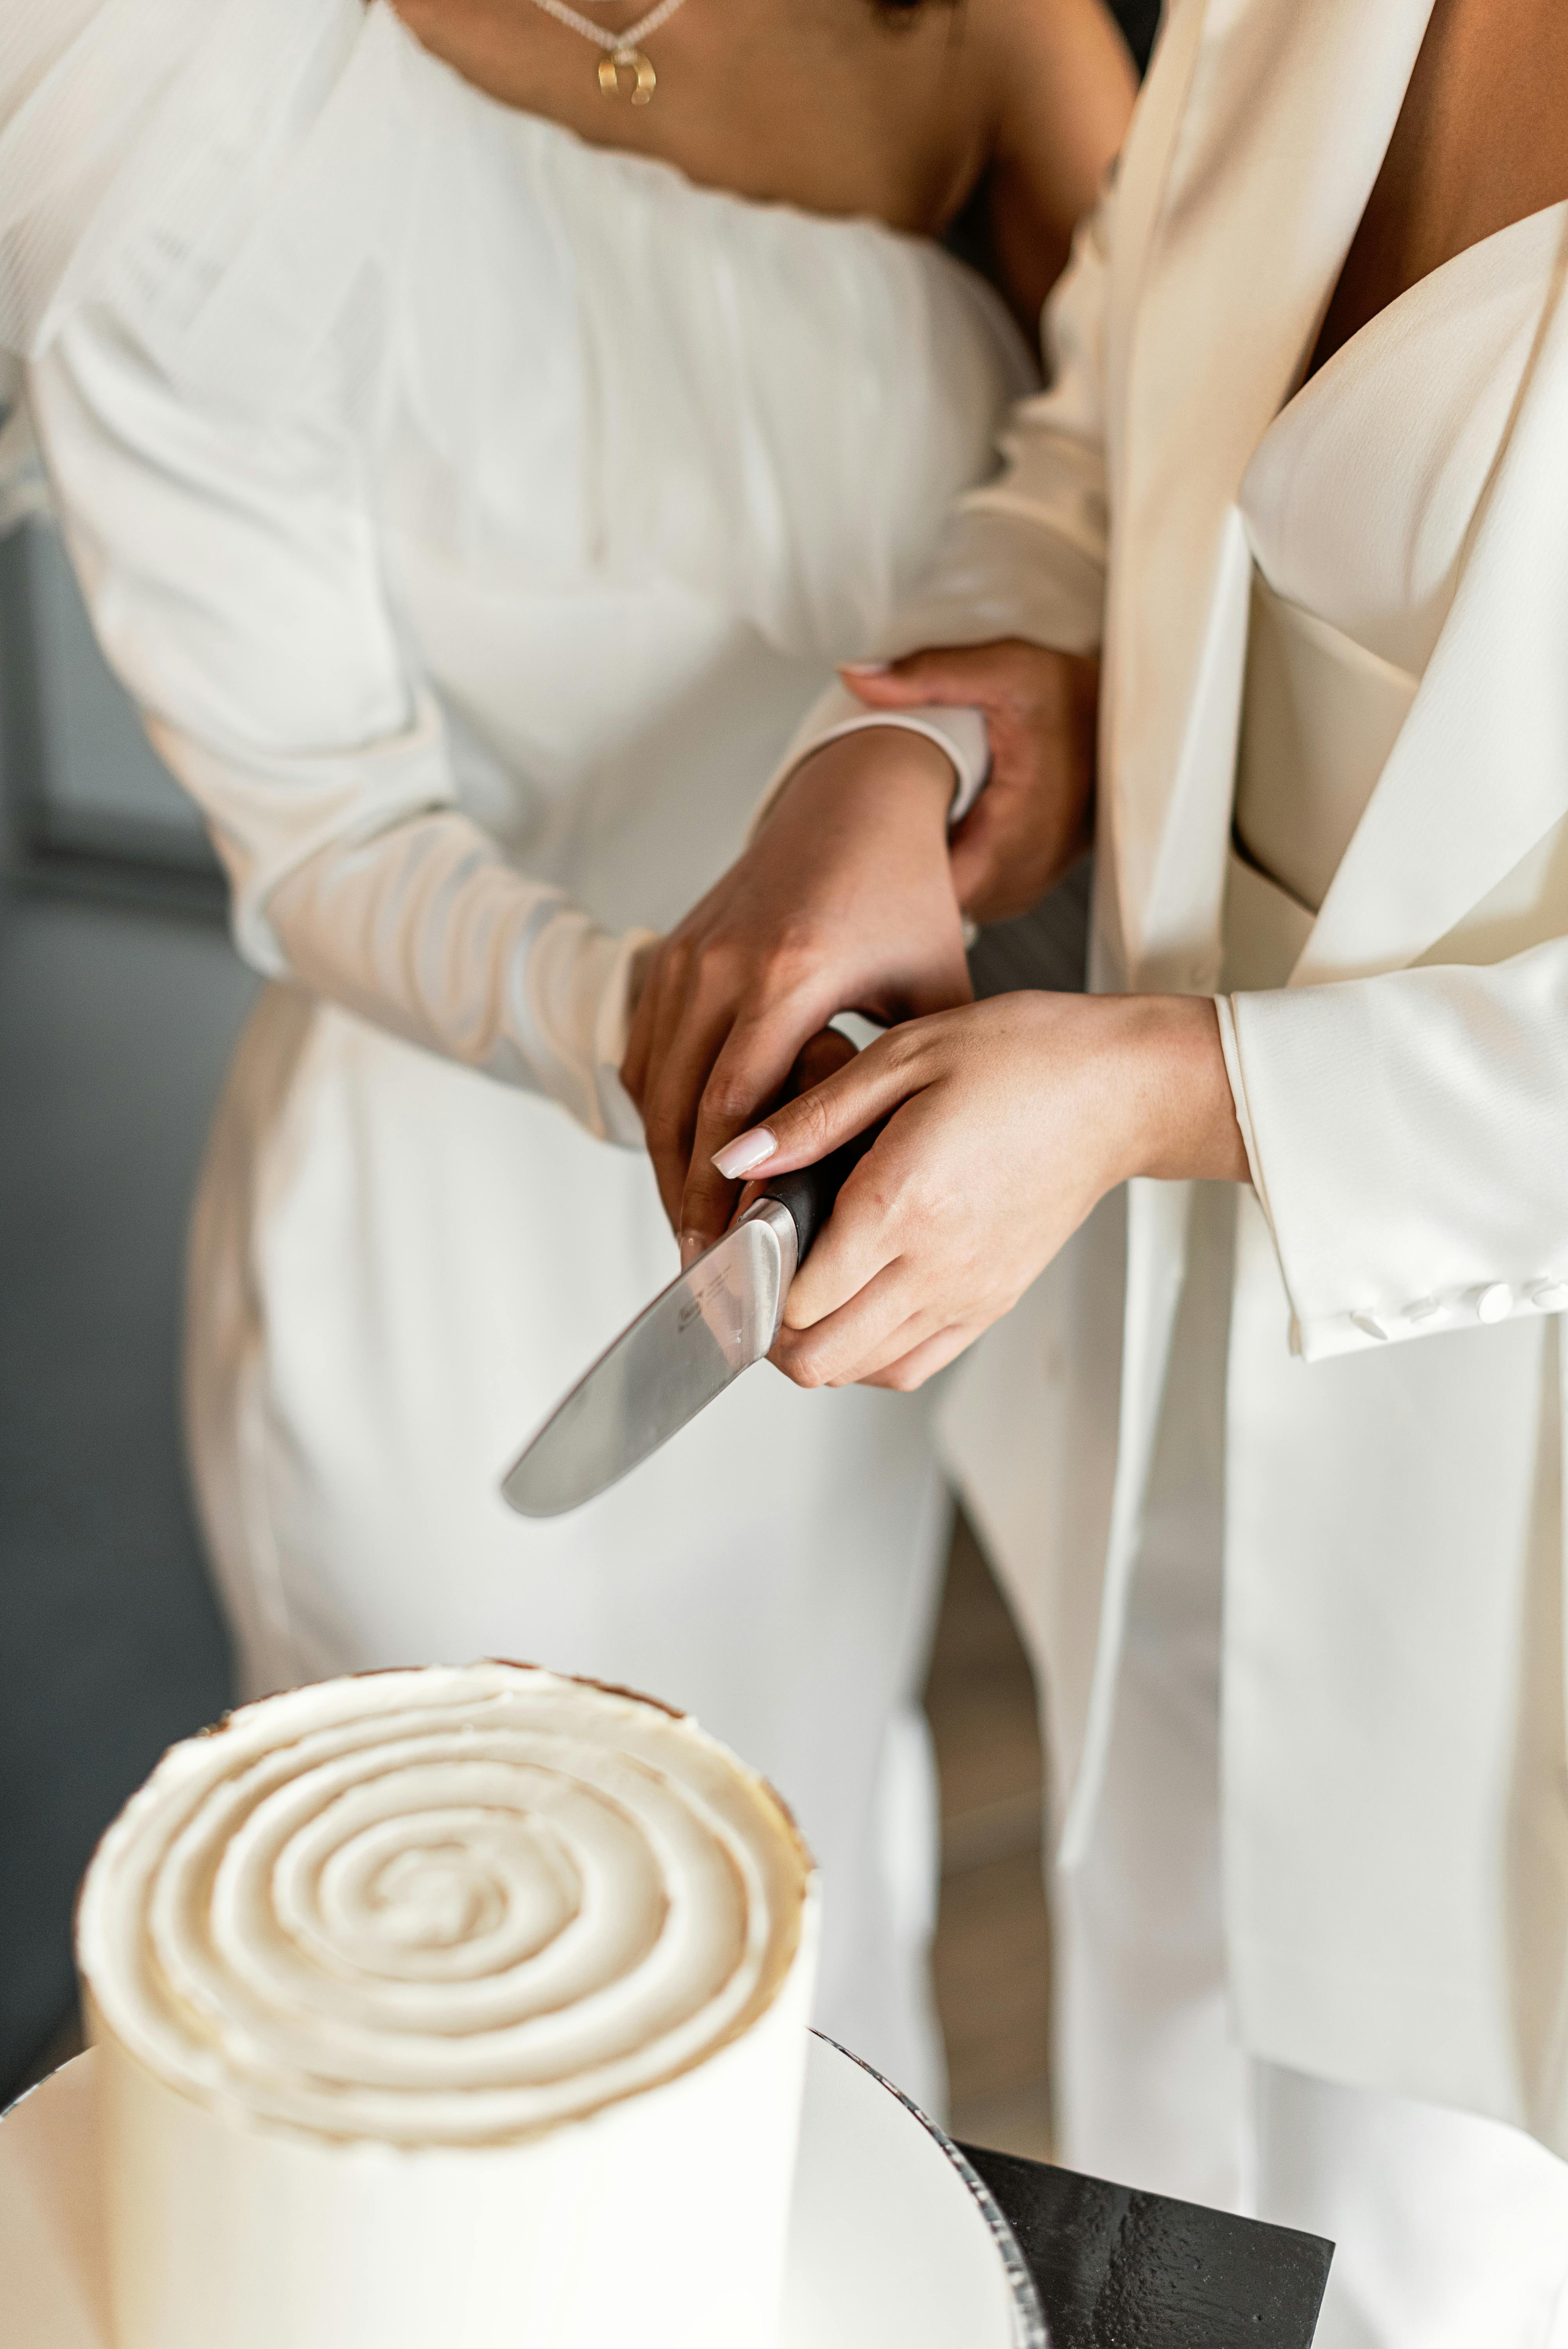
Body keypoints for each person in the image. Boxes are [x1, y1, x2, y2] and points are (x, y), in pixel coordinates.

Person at [0, 0, 1135, 2106]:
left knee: (801, 1963)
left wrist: (949, 754)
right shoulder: (162, 68)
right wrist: (656, 1020)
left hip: (836, 1241)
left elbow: (1154, 430)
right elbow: (327, 831)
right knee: (469, 2061)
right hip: (482, 1253)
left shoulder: (977, 17)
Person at [627, 0, 1568, 2336]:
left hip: (1504, 1413)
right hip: (1165, 1337)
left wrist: (1173, 1093)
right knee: (1168, 2175)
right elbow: (1116, 371)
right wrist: (927, 726)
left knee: (1449, 2245)